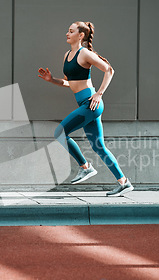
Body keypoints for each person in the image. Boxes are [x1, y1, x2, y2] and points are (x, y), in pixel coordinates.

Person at [38, 21, 133, 197]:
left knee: (60, 132)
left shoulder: (85, 54)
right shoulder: (68, 54)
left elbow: (109, 70)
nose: (67, 33)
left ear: (80, 35)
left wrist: (99, 93)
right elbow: (69, 82)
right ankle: (124, 182)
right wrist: (51, 80)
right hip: (86, 105)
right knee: (99, 147)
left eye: (71, 31)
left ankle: (86, 167)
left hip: (91, 104)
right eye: (67, 30)